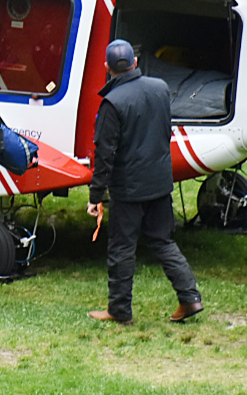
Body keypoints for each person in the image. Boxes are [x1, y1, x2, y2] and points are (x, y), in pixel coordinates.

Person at [87, 39, 203, 324]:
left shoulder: (113, 103)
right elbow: (165, 132)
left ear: (107, 68)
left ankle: (119, 310)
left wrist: (95, 196)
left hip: (129, 190)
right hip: (161, 183)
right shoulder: (160, 88)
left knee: (122, 248)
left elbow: (104, 155)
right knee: (162, 241)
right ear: (135, 63)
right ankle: (190, 298)